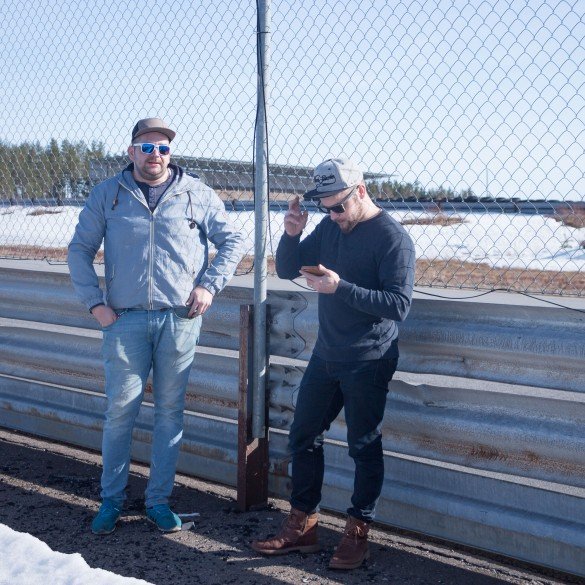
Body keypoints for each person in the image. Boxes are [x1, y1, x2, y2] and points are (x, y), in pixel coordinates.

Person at [68, 117, 243, 535]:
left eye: (163, 148)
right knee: (120, 413)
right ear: (131, 152)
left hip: (178, 320)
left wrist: (208, 285)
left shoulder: (195, 194)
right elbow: (79, 249)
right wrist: (96, 304)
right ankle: (111, 501)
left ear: (171, 153)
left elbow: (232, 241)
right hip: (124, 320)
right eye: (146, 148)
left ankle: (158, 502)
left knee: (169, 413)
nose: (155, 155)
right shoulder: (108, 194)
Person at [251, 157, 415, 569]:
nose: (333, 215)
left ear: (360, 191)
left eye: (338, 206)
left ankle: (357, 532)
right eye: (325, 209)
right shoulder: (327, 226)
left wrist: (340, 287)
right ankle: (303, 527)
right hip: (327, 355)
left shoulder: (392, 238)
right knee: (303, 435)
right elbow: (289, 268)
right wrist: (291, 234)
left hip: (369, 358)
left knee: (363, 445)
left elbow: (399, 305)